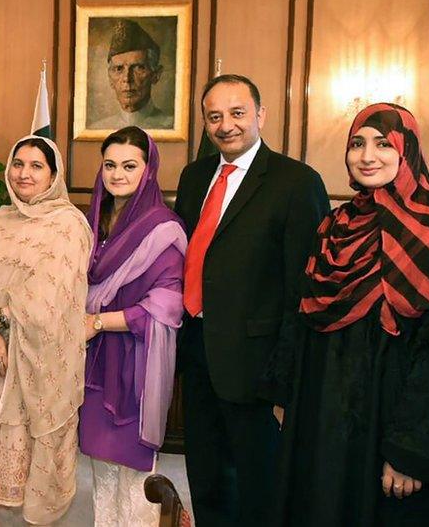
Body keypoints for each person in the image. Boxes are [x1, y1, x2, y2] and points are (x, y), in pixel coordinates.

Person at [172, 74, 329, 526]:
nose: (226, 125)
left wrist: (284, 382)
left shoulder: (296, 182)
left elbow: (304, 291)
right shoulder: (195, 175)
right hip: (198, 355)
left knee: (258, 489)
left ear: (260, 115)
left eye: (237, 113)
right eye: (214, 116)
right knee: (206, 479)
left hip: (258, 369)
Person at [272, 103, 429, 526]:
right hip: (321, 409)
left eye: (383, 144)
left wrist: (410, 452)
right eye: (357, 144)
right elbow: (303, 314)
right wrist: (286, 395)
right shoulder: (335, 224)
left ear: (408, 152)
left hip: (387, 421)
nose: (367, 156)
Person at [0, 136, 91, 526]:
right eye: (18, 163)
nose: (24, 173)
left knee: (33, 459)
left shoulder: (68, 225)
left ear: (53, 174)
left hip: (39, 363)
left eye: (36, 166)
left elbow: (52, 294)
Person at [77, 126, 186, 526]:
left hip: (135, 358)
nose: (117, 174)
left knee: (133, 469)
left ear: (148, 170)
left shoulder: (163, 227)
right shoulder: (91, 222)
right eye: (109, 165)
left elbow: (166, 303)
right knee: (100, 465)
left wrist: (99, 322)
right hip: (92, 358)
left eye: (129, 165)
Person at [90, 19, 172, 130]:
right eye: (119, 69)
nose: (127, 79)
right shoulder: (97, 129)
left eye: (138, 68)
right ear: (110, 78)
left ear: (155, 75)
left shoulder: (170, 127)